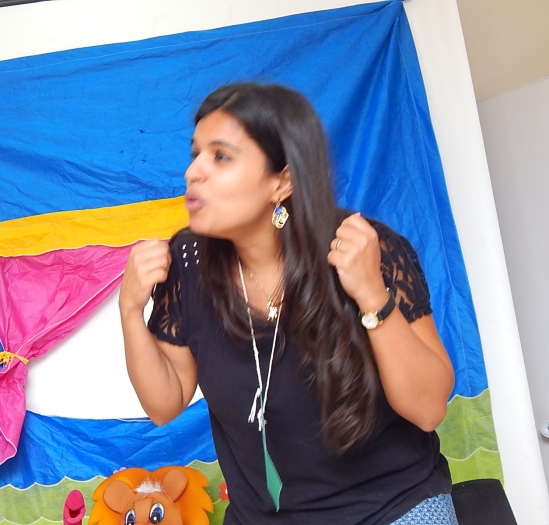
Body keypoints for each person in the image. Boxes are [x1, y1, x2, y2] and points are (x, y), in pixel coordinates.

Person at [118, 82, 457, 524]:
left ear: (283, 181)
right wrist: (130, 311)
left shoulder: (363, 250)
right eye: (195, 154)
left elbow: (429, 410)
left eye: (221, 157)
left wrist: (372, 295)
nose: (193, 172)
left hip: (390, 506)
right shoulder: (187, 263)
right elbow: (165, 403)